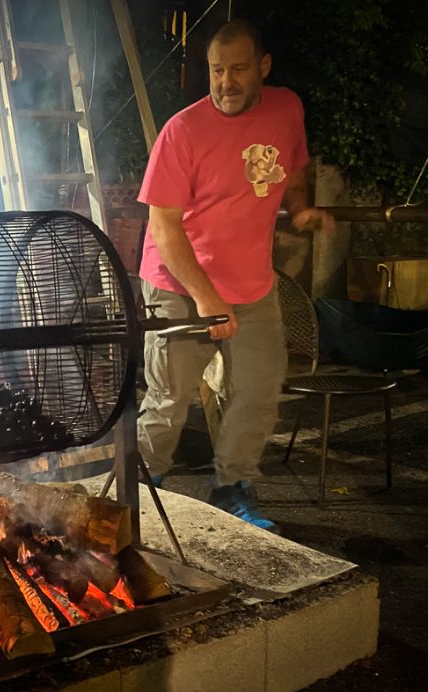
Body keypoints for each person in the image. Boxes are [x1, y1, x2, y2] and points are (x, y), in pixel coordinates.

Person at [135, 20, 334, 532]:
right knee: (169, 399)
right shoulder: (182, 131)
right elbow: (164, 227)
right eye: (217, 71)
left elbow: (292, 166)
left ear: (263, 67)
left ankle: (232, 486)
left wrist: (300, 208)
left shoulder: (286, 108)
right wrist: (207, 299)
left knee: (259, 390)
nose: (226, 82)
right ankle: (140, 490)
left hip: (252, 284)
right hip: (180, 284)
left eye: (239, 69)